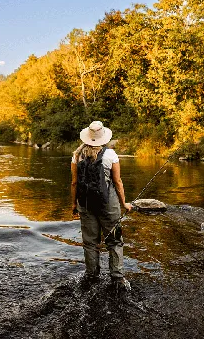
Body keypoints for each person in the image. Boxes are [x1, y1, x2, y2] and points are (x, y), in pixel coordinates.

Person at [71, 121, 132, 291]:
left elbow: (74, 183)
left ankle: (91, 276)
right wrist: (124, 203)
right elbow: (118, 182)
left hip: (85, 204)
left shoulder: (76, 155)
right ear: (103, 137)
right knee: (114, 241)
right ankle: (117, 279)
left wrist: (74, 205)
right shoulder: (110, 154)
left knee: (90, 243)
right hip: (109, 205)